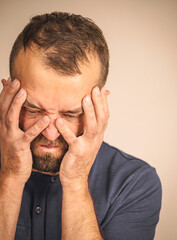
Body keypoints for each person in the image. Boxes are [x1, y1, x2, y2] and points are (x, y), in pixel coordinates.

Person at [0, 12, 162, 240]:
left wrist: (76, 182)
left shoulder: (134, 182)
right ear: (7, 95)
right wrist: (11, 176)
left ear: (99, 107)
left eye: (71, 114)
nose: (50, 132)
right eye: (34, 110)